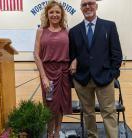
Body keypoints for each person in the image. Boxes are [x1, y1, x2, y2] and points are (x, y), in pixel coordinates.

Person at [69, 0, 123, 137]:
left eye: (91, 3)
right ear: (81, 8)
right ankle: (92, 136)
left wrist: (113, 74)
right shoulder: (74, 31)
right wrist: (74, 70)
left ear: (96, 6)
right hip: (82, 79)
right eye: (84, 4)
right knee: (88, 113)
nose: (88, 6)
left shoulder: (109, 26)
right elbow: (71, 55)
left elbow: (116, 53)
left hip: (105, 77)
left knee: (109, 112)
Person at [33, 1, 72, 138]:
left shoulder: (67, 31)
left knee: (61, 104)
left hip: (64, 72)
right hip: (48, 72)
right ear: (47, 14)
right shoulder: (40, 31)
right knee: (49, 105)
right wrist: (43, 77)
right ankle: (49, 132)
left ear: (61, 15)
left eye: (57, 12)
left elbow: (74, 52)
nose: (54, 15)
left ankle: (57, 131)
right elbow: (36, 55)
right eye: (52, 12)